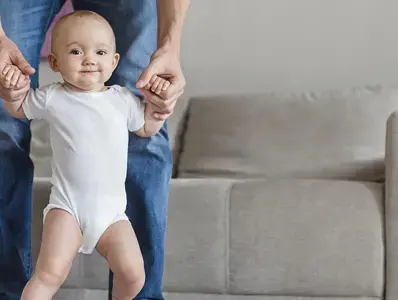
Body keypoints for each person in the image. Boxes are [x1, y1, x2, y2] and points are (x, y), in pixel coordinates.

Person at [0, 1, 188, 299]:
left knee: (134, 274)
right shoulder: (52, 97)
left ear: (114, 61)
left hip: (113, 215)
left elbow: (146, 129)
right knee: (48, 275)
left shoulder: (124, 99)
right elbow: (18, 109)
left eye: (100, 53)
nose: (89, 60)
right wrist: (12, 92)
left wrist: (158, 110)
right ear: (56, 61)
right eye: (76, 51)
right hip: (67, 210)